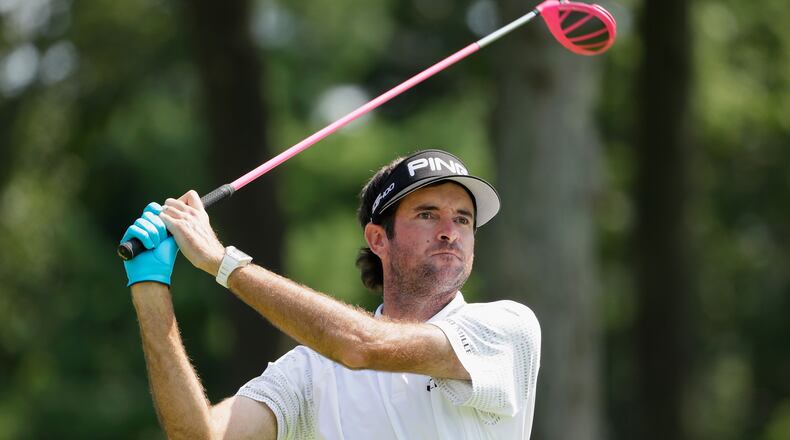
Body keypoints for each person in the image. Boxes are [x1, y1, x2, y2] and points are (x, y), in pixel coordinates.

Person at [122, 148, 541, 439]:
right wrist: (149, 287)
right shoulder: (312, 370)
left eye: (463, 219)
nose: (450, 231)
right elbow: (200, 436)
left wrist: (222, 262)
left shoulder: (506, 330)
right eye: (427, 214)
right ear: (379, 239)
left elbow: (359, 346)